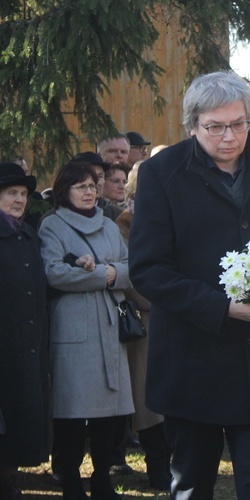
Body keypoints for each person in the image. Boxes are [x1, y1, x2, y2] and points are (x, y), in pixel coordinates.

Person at [129, 71, 250, 499]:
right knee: (192, 482)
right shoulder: (160, 173)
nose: (230, 137)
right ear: (192, 125)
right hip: (193, 361)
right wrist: (224, 307)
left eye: (240, 124)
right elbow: (149, 269)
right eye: (215, 127)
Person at [39, 159, 133, 499]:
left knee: (111, 412)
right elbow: (54, 273)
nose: (90, 192)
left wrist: (108, 274)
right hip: (74, 329)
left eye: (94, 186)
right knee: (73, 410)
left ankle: (103, 477)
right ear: (66, 191)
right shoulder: (52, 226)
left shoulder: (109, 226)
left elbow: (128, 269)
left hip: (110, 326)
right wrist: (103, 276)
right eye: (83, 187)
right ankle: (72, 480)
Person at [114, 163, 172, 490]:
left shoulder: (170, 223)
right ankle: (157, 466)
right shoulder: (123, 229)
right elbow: (132, 278)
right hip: (147, 322)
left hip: (176, 321)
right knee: (150, 404)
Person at [0, 162, 49, 499]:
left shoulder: (27, 234)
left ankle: (9, 478)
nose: (19, 200)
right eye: (11, 193)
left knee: (19, 414)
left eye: (22, 194)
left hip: (27, 343)